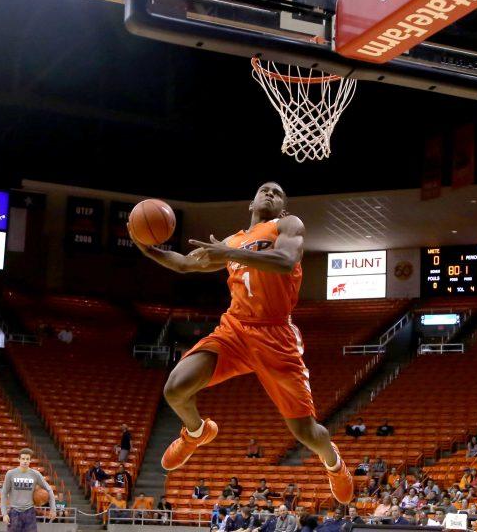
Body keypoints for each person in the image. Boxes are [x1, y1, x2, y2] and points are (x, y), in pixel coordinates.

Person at [135, 182, 353, 503]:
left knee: (306, 432)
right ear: (251, 203)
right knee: (175, 388)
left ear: (283, 207)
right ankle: (197, 431)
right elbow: (183, 263)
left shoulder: (286, 226)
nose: (270, 194)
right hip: (235, 330)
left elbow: (285, 261)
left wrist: (230, 254)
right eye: (264, 190)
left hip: (276, 336)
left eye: (277, 193)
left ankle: (334, 464)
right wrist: (144, 243)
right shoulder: (232, 240)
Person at [0, 448, 56, 532]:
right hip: (14, 512)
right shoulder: (10, 473)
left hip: (29, 512)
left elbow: (49, 490)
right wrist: (4, 514)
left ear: (30, 460)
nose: (25, 461)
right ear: (18, 459)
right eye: (23, 459)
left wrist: (53, 509)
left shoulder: (35, 474)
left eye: (27, 459)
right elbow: (4, 494)